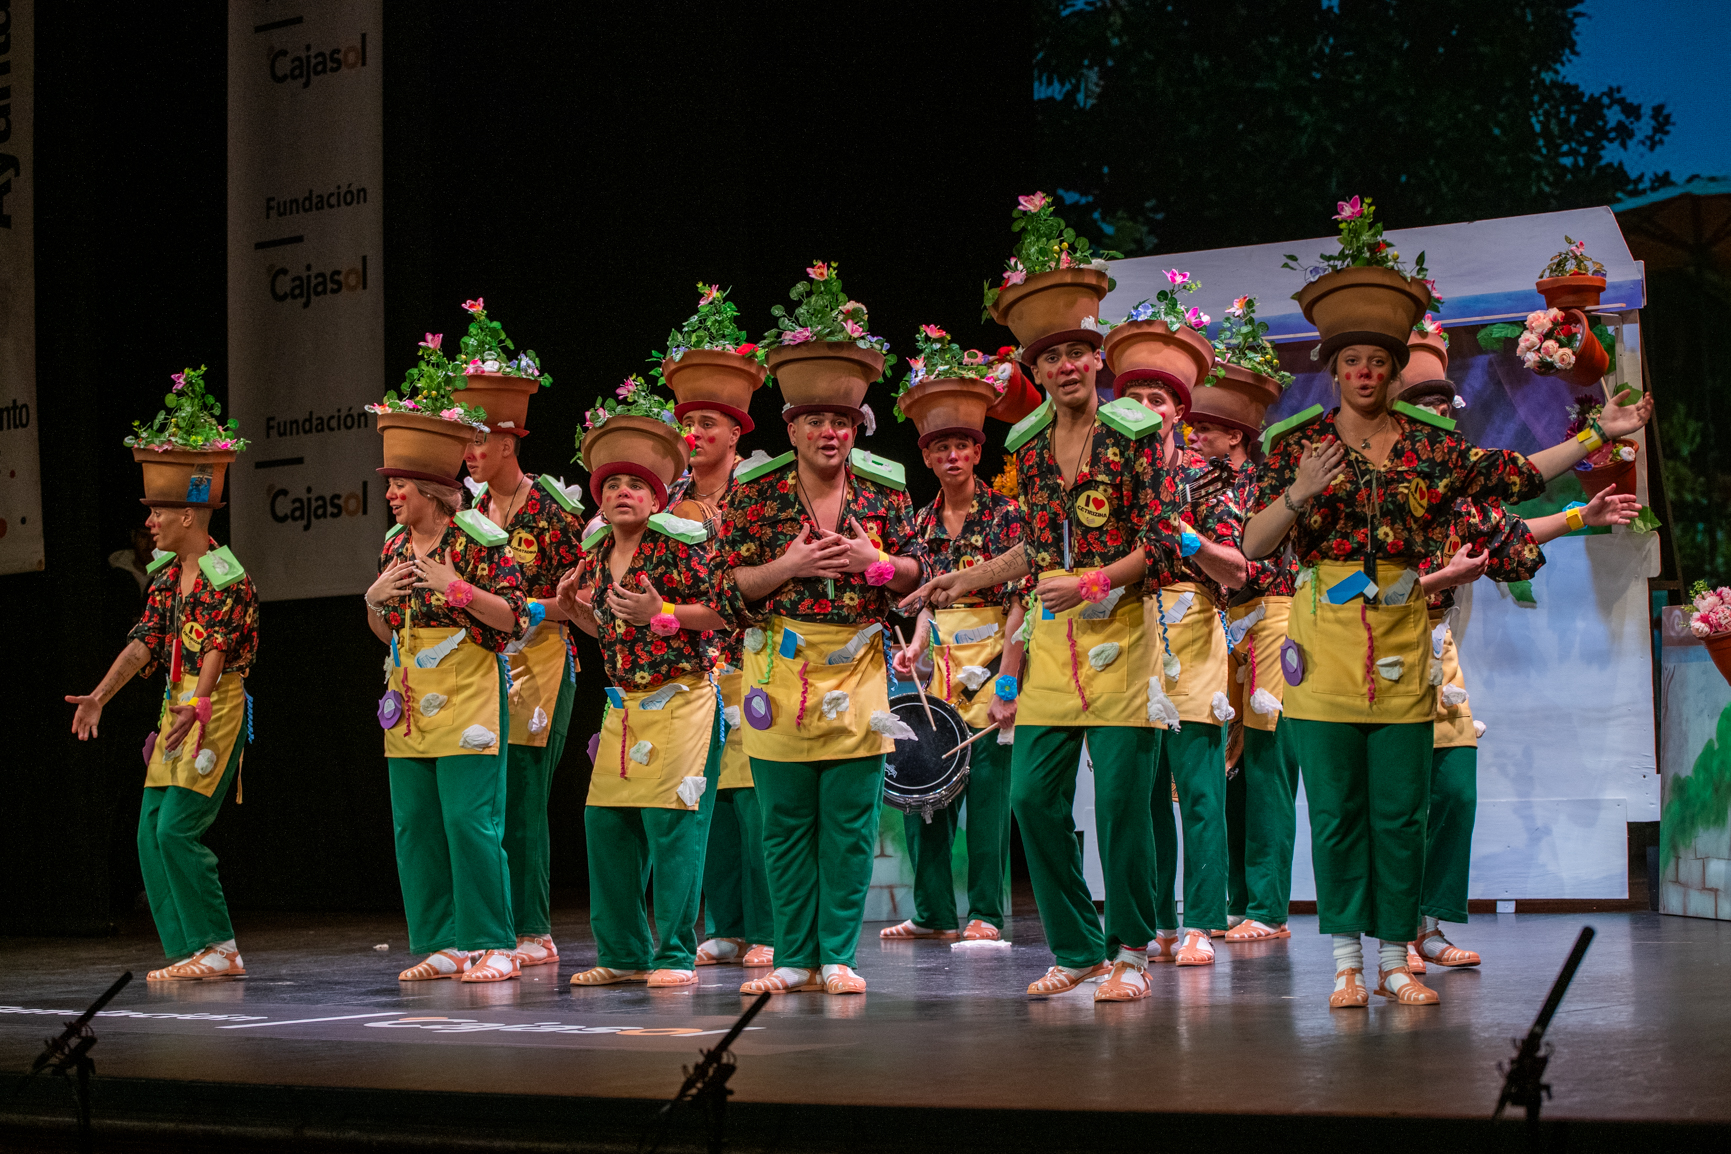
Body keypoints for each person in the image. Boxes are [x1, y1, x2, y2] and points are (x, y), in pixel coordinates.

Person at [1241, 310, 1653, 1008]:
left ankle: (1396, 959)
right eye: (1351, 362)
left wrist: (1593, 436)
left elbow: (1513, 476)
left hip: (1401, 640)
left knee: (1401, 811)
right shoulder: (1298, 445)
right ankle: (1345, 962)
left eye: (1377, 360)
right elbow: (1254, 546)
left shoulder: (1428, 449)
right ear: (1333, 371)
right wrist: (1297, 492)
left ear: (1394, 372)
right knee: (1338, 811)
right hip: (1323, 644)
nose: (1364, 373)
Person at [906, 323, 1183, 1003]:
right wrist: (960, 581)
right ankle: (1078, 950)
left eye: (1074, 354)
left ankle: (1130, 951)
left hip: (1121, 632)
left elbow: (1164, 541)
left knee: (1121, 805)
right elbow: (1030, 549)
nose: (1064, 366)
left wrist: (1092, 582)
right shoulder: (1027, 445)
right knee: (1031, 798)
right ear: (1039, 369)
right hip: (1055, 643)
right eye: (1049, 358)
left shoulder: (1133, 434)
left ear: (1096, 362)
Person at [1396, 372, 1641, 972]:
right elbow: (1350, 585)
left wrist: (1581, 515)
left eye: (1443, 410)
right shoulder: (1378, 495)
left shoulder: (1461, 497)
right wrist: (1433, 581)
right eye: (1423, 411)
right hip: (1377, 653)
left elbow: (1507, 535)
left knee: (1453, 789)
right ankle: (1391, 934)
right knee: (1394, 799)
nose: (1438, 421)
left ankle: (1427, 928)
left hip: (1437, 652)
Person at [716, 356, 923, 996]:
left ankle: (836, 955)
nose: (828, 433)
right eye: (814, 422)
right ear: (792, 429)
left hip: (857, 667)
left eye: (840, 421)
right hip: (778, 669)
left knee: (848, 826)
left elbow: (918, 574)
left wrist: (876, 562)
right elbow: (726, 589)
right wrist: (787, 565)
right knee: (783, 825)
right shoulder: (755, 494)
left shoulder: (885, 492)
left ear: (856, 429)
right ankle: (792, 955)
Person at [559, 395, 739, 988]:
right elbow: (606, 628)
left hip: (684, 696)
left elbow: (720, 613)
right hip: (623, 706)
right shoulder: (595, 557)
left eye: (636, 486)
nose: (623, 495)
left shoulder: (680, 545)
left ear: (657, 497)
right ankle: (624, 953)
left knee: (673, 828)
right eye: (613, 487)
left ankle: (674, 955)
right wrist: (571, 611)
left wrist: (662, 611)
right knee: (605, 824)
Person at [71, 409, 255, 982]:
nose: (149, 521)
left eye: (156, 511)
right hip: (176, 704)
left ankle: (218, 946)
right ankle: (188, 951)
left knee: (179, 827)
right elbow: (143, 643)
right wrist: (100, 695)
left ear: (186, 513)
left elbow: (218, 648)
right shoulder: (167, 577)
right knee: (151, 830)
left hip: (215, 706)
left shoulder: (226, 575)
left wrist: (199, 704)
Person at [367, 404, 529, 984]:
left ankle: (495, 943)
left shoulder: (480, 541)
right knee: (416, 823)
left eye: (401, 486)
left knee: (468, 821)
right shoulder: (393, 547)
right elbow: (385, 629)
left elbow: (513, 618)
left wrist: (456, 587)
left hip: (468, 695)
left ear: (433, 491)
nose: (392, 495)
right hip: (408, 695)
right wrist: (373, 600)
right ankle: (440, 942)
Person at [1111, 361, 1247, 969]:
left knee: (1196, 784)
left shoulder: (1209, 479)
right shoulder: (1108, 478)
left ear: (1178, 412)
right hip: (1126, 625)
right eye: (1134, 396)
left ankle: (1201, 920)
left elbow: (1236, 570)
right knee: (1138, 790)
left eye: (1157, 398)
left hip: (1190, 622)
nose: (1146, 406)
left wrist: (1190, 539)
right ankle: (1157, 920)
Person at [887, 366, 1027, 943]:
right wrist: (915, 646)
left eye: (961, 446)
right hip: (939, 673)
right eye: (941, 447)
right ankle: (933, 913)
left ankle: (987, 915)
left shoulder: (1007, 516)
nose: (952, 456)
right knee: (924, 792)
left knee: (989, 804)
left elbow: (1024, 603)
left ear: (977, 451)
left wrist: (1008, 682)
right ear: (927, 457)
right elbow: (925, 604)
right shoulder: (919, 523)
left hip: (994, 660)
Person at [660, 345, 777, 971]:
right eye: (689, 423)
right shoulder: (665, 498)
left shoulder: (756, 496)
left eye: (710, 424)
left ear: (736, 432)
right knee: (711, 798)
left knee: (755, 796)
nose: (696, 434)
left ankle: (769, 925)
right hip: (691, 664)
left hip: (751, 654)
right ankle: (727, 924)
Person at [462, 403, 586, 971]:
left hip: (545, 658)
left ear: (509, 443)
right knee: (494, 794)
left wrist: (520, 609)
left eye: (480, 441)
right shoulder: (472, 511)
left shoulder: (553, 509)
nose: (470, 453)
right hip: (487, 662)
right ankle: (499, 925)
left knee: (527, 795)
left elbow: (577, 601)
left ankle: (534, 932)